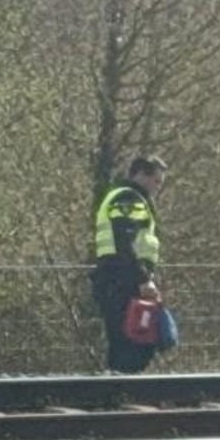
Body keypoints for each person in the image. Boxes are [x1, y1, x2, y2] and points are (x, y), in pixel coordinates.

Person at [92, 155, 168, 374]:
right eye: (156, 181)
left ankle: (119, 393)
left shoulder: (125, 197)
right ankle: (122, 393)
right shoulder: (129, 199)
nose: (158, 188)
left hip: (117, 278)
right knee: (133, 344)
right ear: (140, 175)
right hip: (122, 280)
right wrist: (144, 279)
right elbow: (124, 243)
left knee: (128, 341)